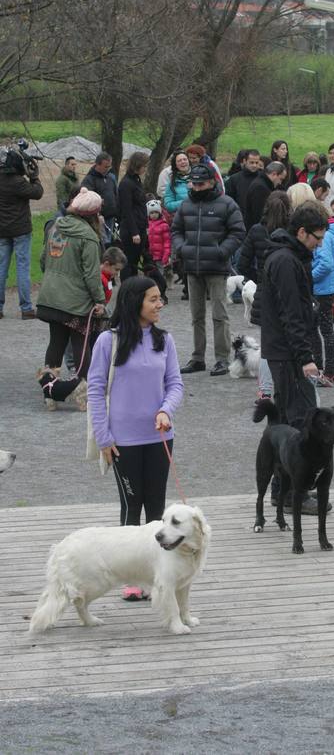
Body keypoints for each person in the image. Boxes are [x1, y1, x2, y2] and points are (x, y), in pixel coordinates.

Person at [87, 276, 183, 601]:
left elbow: (175, 384)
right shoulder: (107, 341)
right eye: (154, 299)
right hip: (122, 442)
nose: (160, 305)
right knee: (132, 508)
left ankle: (158, 575)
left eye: (160, 299)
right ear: (135, 303)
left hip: (159, 438)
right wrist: (103, 436)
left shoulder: (164, 340)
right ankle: (130, 577)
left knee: (156, 510)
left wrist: (166, 410)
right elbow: (96, 391)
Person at [172, 163, 245, 376]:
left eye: (200, 183)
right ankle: (198, 358)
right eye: (194, 183)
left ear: (212, 182)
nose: (196, 187)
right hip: (193, 267)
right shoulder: (186, 205)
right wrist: (182, 248)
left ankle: (222, 359)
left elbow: (238, 232)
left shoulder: (227, 204)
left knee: (219, 315)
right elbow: (176, 230)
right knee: (197, 315)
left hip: (216, 267)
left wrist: (222, 251)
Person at [36, 187, 106, 409]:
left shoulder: (55, 226)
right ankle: (83, 394)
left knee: (55, 343)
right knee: (80, 344)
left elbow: (43, 260)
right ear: (94, 214)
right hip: (76, 301)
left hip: (50, 296)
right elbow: (91, 274)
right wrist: (100, 300)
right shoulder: (89, 237)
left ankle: (49, 393)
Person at [260, 202, 327, 426]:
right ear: (301, 232)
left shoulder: (291, 257)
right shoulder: (285, 261)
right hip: (286, 352)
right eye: (317, 238)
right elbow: (291, 314)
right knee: (299, 419)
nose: (320, 244)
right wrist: (305, 358)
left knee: (286, 416)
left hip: (287, 350)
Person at [238, 190, 292, 401]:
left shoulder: (257, 230)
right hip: (285, 291)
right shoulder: (292, 231)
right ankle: (284, 385)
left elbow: (243, 263)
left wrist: (258, 278)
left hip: (264, 290)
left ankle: (266, 389)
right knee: (288, 342)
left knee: (268, 344)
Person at [0, 143, 43, 319]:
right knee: (22, 268)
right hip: (21, 230)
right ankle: (26, 308)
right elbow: (38, 192)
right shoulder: (18, 182)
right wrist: (34, 177)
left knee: (1, 268)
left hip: (2, 230)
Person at [312, 202, 334, 387]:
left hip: (321, 290)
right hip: (328, 288)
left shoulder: (325, 237)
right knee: (324, 330)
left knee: (318, 330)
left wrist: (307, 276)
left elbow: (326, 264)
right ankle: (325, 370)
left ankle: (325, 371)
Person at [118, 151, 150, 279]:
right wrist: (134, 232)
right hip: (131, 229)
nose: (145, 168)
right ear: (137, 165)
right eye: (144, 166)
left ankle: (134, 289)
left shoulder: (136, 181)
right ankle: (127, 288)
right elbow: (127, 210)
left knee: (135, 262)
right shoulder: (126, 184)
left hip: (140, 226)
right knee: (129, 263)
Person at [82, 152, 119, 243]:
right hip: (98, 219)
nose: (108, 169)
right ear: (97, 165)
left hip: (111, 217)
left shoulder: (111, 177)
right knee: (102, 243)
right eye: (106, 166)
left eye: (109, 166)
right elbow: (87, 200)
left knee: (109, 241)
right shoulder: (89, 180)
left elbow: (116, 194)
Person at [244, 161, 287, 230]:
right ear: (274, 174)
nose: (280, 183)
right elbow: (260, 215)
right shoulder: (260, 188)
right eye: (281, 179)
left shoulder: (262, 184)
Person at [224, 148, 262, 216]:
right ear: (245, 161)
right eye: (251, 162)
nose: (254, 165)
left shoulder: (262, 177)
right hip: (240, 217)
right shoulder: (234, 179)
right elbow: (228, 201)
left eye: (256, 163)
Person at [146, 199, 171, 280]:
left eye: (156, 212)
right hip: (151, 255)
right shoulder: (147, 225)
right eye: (151, 213)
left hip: (160, 255)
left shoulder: (164, 225)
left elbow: (167, 241)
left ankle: (161, 284)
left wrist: (166, 254)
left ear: (159, 213)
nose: (154, 215)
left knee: (160, 272)